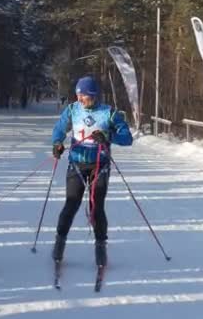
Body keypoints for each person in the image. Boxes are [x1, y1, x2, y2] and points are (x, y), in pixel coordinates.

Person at [51, 76, 133, 267]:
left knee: (97, 207)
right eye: (78, 95)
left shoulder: (109, 113)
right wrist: (57, 143)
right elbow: (59, 128)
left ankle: (100, 247)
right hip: (77, 164)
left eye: (84, 96)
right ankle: (59, 243)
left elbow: (127, 138)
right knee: (71, 205)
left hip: (100, 166)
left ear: (94, 96)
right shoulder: (72, 109)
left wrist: (107, 136)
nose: (80, 99)